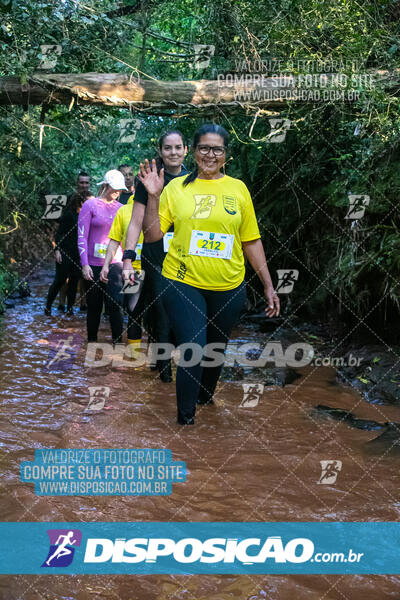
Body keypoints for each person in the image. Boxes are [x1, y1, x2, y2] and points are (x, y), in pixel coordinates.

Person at [125, 123, 280, 425]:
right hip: (182, 281)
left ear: (226, 155)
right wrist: (154, 197)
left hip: (229, 285)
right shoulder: (176, 188)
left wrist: (268, 285)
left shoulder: (238, 189)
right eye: (204, 148)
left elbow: (250, 240)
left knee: (215, 352)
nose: (210, 154)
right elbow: (153, 235)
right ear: (193, 152)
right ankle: (186, 426)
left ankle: (206, 398)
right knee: (193, 349)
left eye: (217, 149)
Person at [123, 130, 188, 382]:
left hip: (186, 256)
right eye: (168, 148)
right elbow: (135, 221)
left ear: (185, 150)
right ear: (160, 152)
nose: (173, 152)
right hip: (155, 255)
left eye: (178, 147)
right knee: (161, 310)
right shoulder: (147, 180)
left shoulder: (193, 180)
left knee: (182, 310)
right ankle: (164, 377)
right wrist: (128, 258)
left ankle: (167, 358)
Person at [78, 169, 129, 344]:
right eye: (114, 188)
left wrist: (128, 264)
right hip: (92, 263)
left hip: (115, 262)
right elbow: (82, 236)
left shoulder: (122, 209)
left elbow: (126, 238)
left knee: (115, 304)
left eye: (120, 189)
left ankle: (118, 344)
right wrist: (85, 264)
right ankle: (91, 344)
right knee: (94, 307)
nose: (117, 192)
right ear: (105, 185)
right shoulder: (90, 205)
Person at [99, 178, 145, 357]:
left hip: (156, 268)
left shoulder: (161, 208)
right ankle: (126, 350)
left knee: (148, 312)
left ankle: (149, 359)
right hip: (132, 268)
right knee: (127, 308)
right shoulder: (124, 211)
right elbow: (114, 240)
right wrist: (105, 265)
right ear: (134, 189)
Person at [45, 191, 90, 316]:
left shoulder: (86, 216)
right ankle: (48, 307)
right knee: (60, 280)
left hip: (78, 254)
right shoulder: (69, 215)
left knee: (74, 281)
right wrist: (57, 250)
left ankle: (70, 309)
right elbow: (59, 233)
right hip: (65, 252)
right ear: (81, 202)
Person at [57, 171, 91, 312]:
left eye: (86, 183)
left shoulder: (92, 200)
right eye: (81, 182)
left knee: (84, 277)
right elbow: (58, 225)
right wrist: (57, 248)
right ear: (77, 183)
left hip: (86, 245)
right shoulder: (66, 199)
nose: (84, 185)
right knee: (64, 277)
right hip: (68, 245)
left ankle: (83, 304)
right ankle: (61, 303)